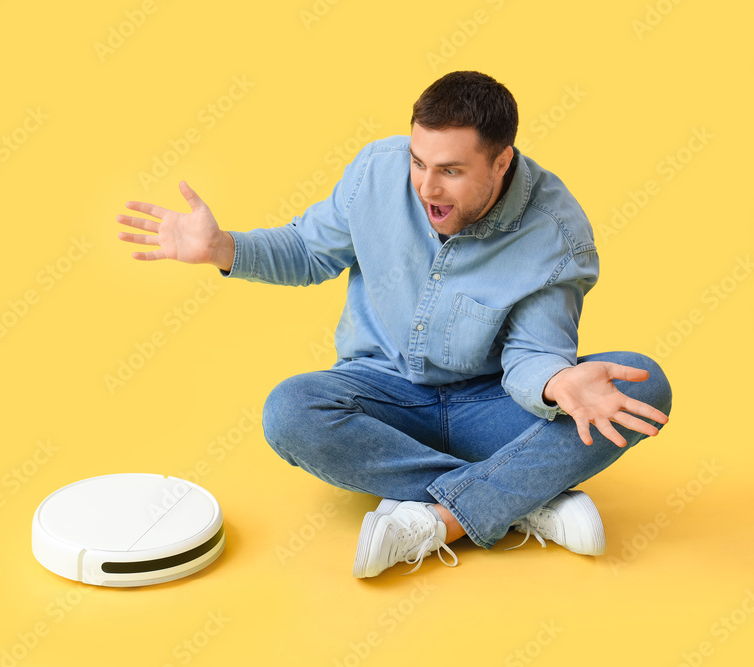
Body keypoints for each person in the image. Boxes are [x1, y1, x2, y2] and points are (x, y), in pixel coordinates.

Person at [116, 70, 672, 579]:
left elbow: (531, 355)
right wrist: (222, 247)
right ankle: (519, 499)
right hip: (381, 398)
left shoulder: (556, 232)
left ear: (501, 163)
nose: (427, 187)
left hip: (492, 405)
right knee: (291, 409)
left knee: (643, 383)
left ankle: (445, 516)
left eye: (451, 171)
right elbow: (308, 251)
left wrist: (557, 382)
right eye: (419, 162)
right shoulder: (376, 173)